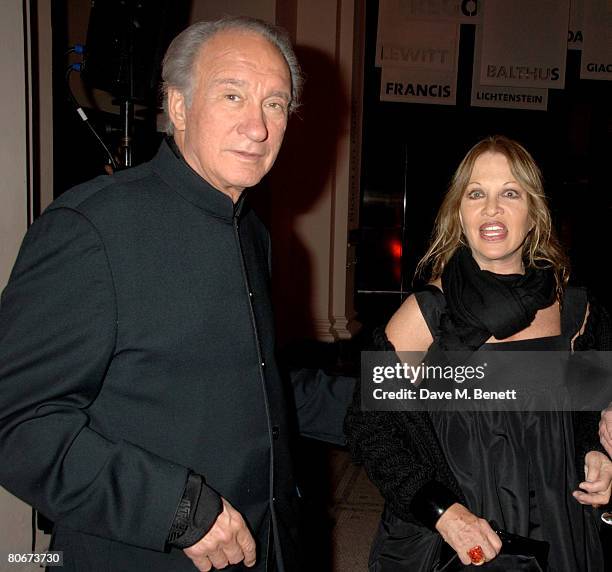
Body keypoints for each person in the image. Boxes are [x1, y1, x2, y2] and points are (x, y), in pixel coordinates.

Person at [0, 17, 354, 572]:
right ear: (180, 106)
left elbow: (259, 383)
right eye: (232, 95)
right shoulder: (92, 228)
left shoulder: (252, 232)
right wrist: (175, 508)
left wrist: (414, 396)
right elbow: (18, 424)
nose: (257, 128)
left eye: (276, 104)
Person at [345, 135, 612, 571]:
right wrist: (443, 513)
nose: (492, 208)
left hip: (560, 532)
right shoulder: (424, 315)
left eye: (510, 193)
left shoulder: (576, 313)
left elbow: (584, 418)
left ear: (534, 214)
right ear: (459, 213)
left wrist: (598, 455)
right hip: (460, 539)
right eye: (476, 194)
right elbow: (367, 429)